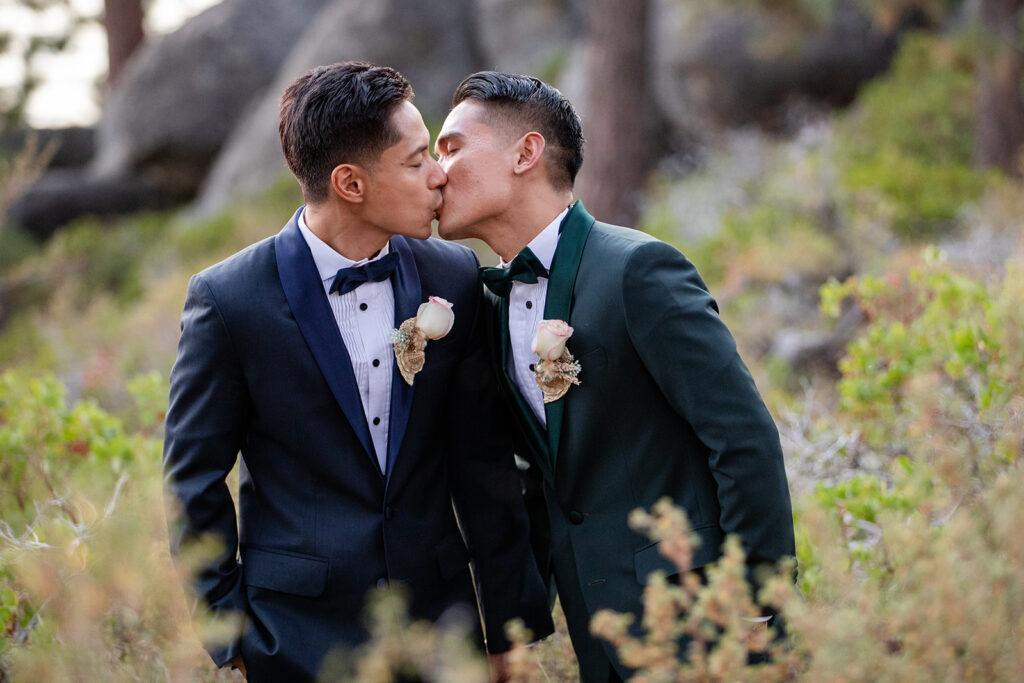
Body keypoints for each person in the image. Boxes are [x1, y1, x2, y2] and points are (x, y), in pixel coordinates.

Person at [162, 62, 553, 682]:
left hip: (440, 632)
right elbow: (193, 482)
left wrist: (511, 626)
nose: (438, 175)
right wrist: (229, 635)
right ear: (350, 183)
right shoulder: (228, 300)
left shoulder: (451, 276)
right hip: (294, 638)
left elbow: (484, 466)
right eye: (415, 160)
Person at [434, 71, 796, 682]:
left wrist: (758, 605)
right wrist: (518, 623)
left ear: (526, 153)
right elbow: (543, 479)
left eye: (452, 147)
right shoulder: (489, 306)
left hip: (706, 620)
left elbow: (742, 439)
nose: (437, 172)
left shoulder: (638, 270)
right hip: (598, 632)